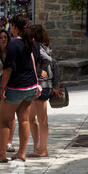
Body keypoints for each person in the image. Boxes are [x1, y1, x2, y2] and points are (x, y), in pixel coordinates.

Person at [0, 15, 40, 163]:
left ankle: (1, 154)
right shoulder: (33, 43)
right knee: (23, 120)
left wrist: (3, 88)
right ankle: (21, 153)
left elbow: (8, 69)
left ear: (15, 27)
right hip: (30, 86)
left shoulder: (14, 44)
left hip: (16, 86)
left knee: (4, 120)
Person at [28, 24, 63, 158]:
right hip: (47, 84)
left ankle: (42, 149)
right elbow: (54, 64)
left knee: (42, 119)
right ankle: (37, 147)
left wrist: (37, 71)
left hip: (41, 85)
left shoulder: (36, 46)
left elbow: (48, 61)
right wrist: (55, 83)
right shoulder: (47, 47)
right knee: (31, 118)